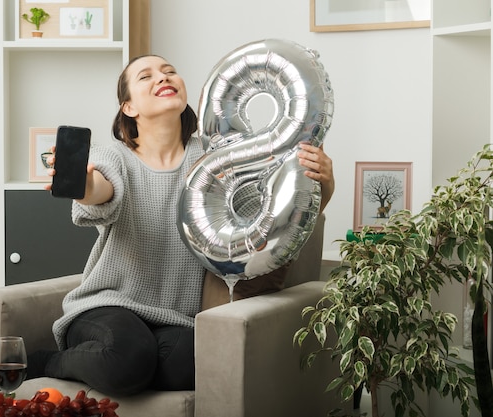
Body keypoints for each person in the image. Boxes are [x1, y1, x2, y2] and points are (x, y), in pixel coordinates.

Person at [28, 54, 335, 397]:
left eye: (170, 71)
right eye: (146, 76)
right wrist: (83, 184)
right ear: (128, 107)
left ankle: (132, 367)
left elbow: (262, 218)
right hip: (107, 305)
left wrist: (325, 183)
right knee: (127, 358)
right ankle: (47, 362)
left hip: (174, 319)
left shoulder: (214, 159)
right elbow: (101, 189)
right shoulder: (115, 156)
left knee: (194, 367)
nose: (163, 77)